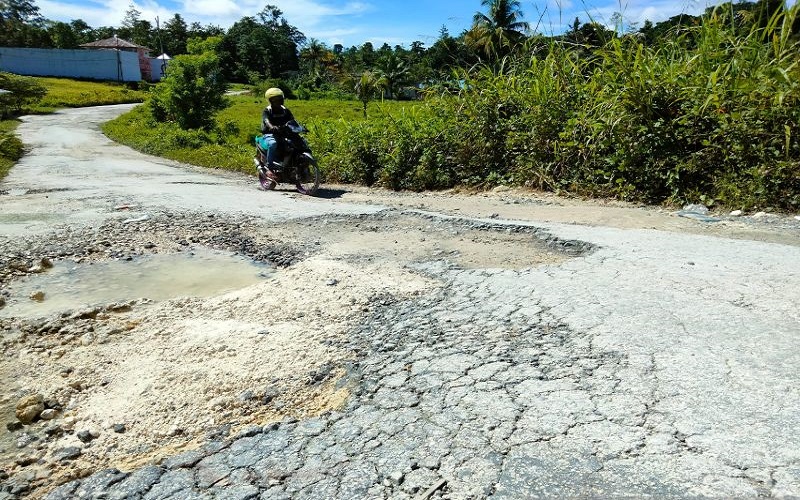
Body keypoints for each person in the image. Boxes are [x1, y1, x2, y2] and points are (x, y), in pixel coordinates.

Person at [256, 87, 295, 172]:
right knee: (273, 144)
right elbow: (266, 121)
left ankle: (289, 165)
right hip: (270, 134)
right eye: (274, 99)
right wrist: (272, 127)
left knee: (294, 144)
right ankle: (270, 165)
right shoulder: (267, 110)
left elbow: (292, 120)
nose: (278, 101)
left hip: (283, 133)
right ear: (270, 100)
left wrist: (299, 127)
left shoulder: (285, 110)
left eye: (279, 99)